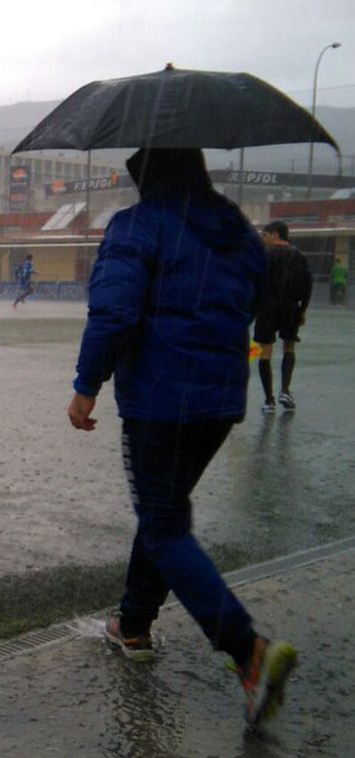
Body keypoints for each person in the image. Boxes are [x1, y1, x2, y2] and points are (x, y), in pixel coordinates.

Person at [67, 148, 297, 728]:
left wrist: (86, 383)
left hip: (160, 400)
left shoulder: (138, 225)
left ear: (148, 176)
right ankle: (134, 625)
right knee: (163, 510)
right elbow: (247, 300)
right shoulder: (242, 234)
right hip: (219, 400)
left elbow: (114, 311)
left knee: (165, 523)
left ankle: (249, 652)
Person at [253, 220, 312, 414]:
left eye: (265, 235)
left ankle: (269, 401)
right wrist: (302, 310)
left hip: (266, 307)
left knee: (265, 351)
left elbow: (253, 283)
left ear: (276, 234)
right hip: (291, 307)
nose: (263, 239)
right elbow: (308, 284)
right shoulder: (299, 255)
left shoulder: (262, 256)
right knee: (289, 346)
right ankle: (285, 390)